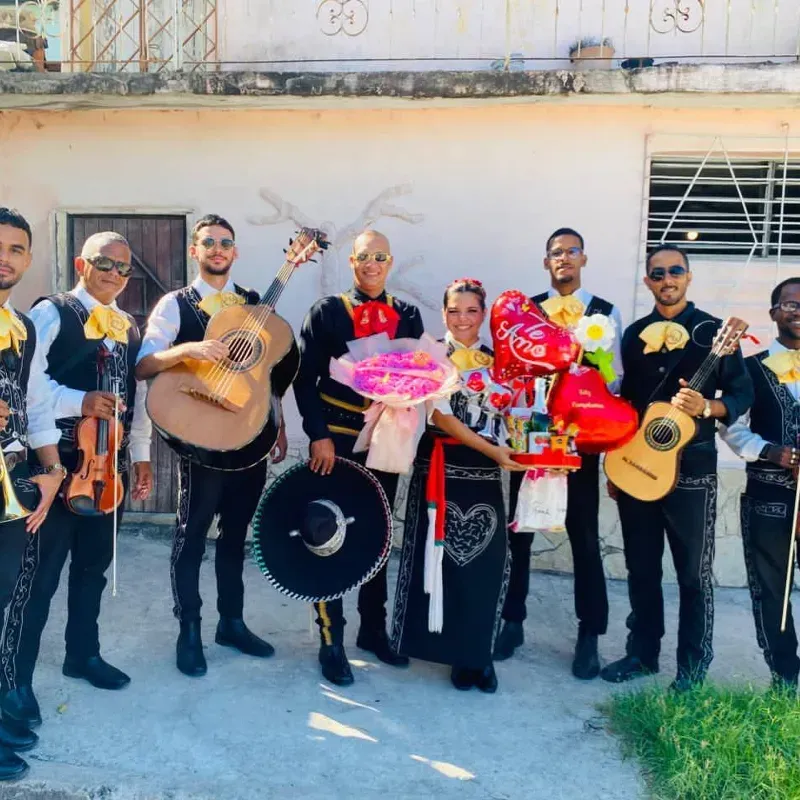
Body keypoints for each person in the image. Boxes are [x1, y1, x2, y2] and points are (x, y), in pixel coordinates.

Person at [0, 232, 153, 734]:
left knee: (93, 567)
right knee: (39, 576)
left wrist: (140, 455)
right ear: (81, 264)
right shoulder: (52, 313)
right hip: (58, 461)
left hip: (106, 467)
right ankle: (16, 680)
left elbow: (134, 395)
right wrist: (80, 401)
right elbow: (31, 385)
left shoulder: (127, 325)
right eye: (104, 263)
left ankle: (82, 654)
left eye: (123, 268)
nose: (114, 274)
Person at [136, 214, 287, 677]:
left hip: (248, 435)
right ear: (195, 251)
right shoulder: (175, 304)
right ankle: (189, 629)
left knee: (236, 535)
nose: (217, 249)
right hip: (200, 437)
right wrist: (189, 350)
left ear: (235, 252)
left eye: (225, 242)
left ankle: (232, 623)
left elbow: (267, 373)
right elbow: (144, 364)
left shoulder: (253, 304)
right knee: (192, 534)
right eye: (209, 242)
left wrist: (277, 424)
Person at [602, 244, 753, 691]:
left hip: (693, 471)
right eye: (657, 273)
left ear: (688, 276)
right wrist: (617, 464)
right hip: (638, 464)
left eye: (675, 271)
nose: (666, 279)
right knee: (641, 567)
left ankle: (692, 668)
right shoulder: (634, 335)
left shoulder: (714, 331)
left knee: (693, 574)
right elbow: (626, 405)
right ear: (647, 281)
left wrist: (707, 406)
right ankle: (642, 653)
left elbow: (742, 394)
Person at [293, 229, 423, 685]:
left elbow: (418, 375)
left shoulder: (408, 315)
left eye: (380, 257)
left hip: (384, 438)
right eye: (364, 256)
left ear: (390, 263)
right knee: (325, 532)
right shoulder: (326, 312)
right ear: (351, 262)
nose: (372, 264)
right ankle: (331, 639)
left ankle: (373, 629)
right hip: (336, 439)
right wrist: (318, 436)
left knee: (376, 532)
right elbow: (303, 379)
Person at [495, 227, 623, 680]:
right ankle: (512, 621)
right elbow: (510, 371)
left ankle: (590, 634)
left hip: (579, 444)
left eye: (572, 251)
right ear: (546, 262)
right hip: (531, 438)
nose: (564, 258)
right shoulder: (526, 310)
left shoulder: (605, 312)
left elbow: (615, 380)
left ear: (584, 259)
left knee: (584, 537)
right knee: (520, 533)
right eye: (555, 252)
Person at [391, 278, 523, 692]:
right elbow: (440, 416)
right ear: (444, 313)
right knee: (438, 560)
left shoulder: (501, 360)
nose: (462, 319)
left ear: (483, 314)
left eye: (471, 311)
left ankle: (477, 655)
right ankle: (445, 651)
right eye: (454, 311)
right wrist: (492, 450)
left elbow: (514, 413)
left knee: (484, 564)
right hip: (439, 465)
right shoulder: (430, 355)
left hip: (486, 471)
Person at [0, 208, 72, 780]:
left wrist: (51, 474)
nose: (5, 257)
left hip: (12, 478)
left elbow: (37, 407)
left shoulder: (22, 326)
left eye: (16, 249)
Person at [719, 277, 800, 691]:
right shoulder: (751, 368)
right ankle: (786, 675)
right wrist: (770, 451)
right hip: (769, 493)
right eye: (790, 304)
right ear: (774, 313)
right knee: (772, 589)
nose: (798, 311)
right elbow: (731, 427)